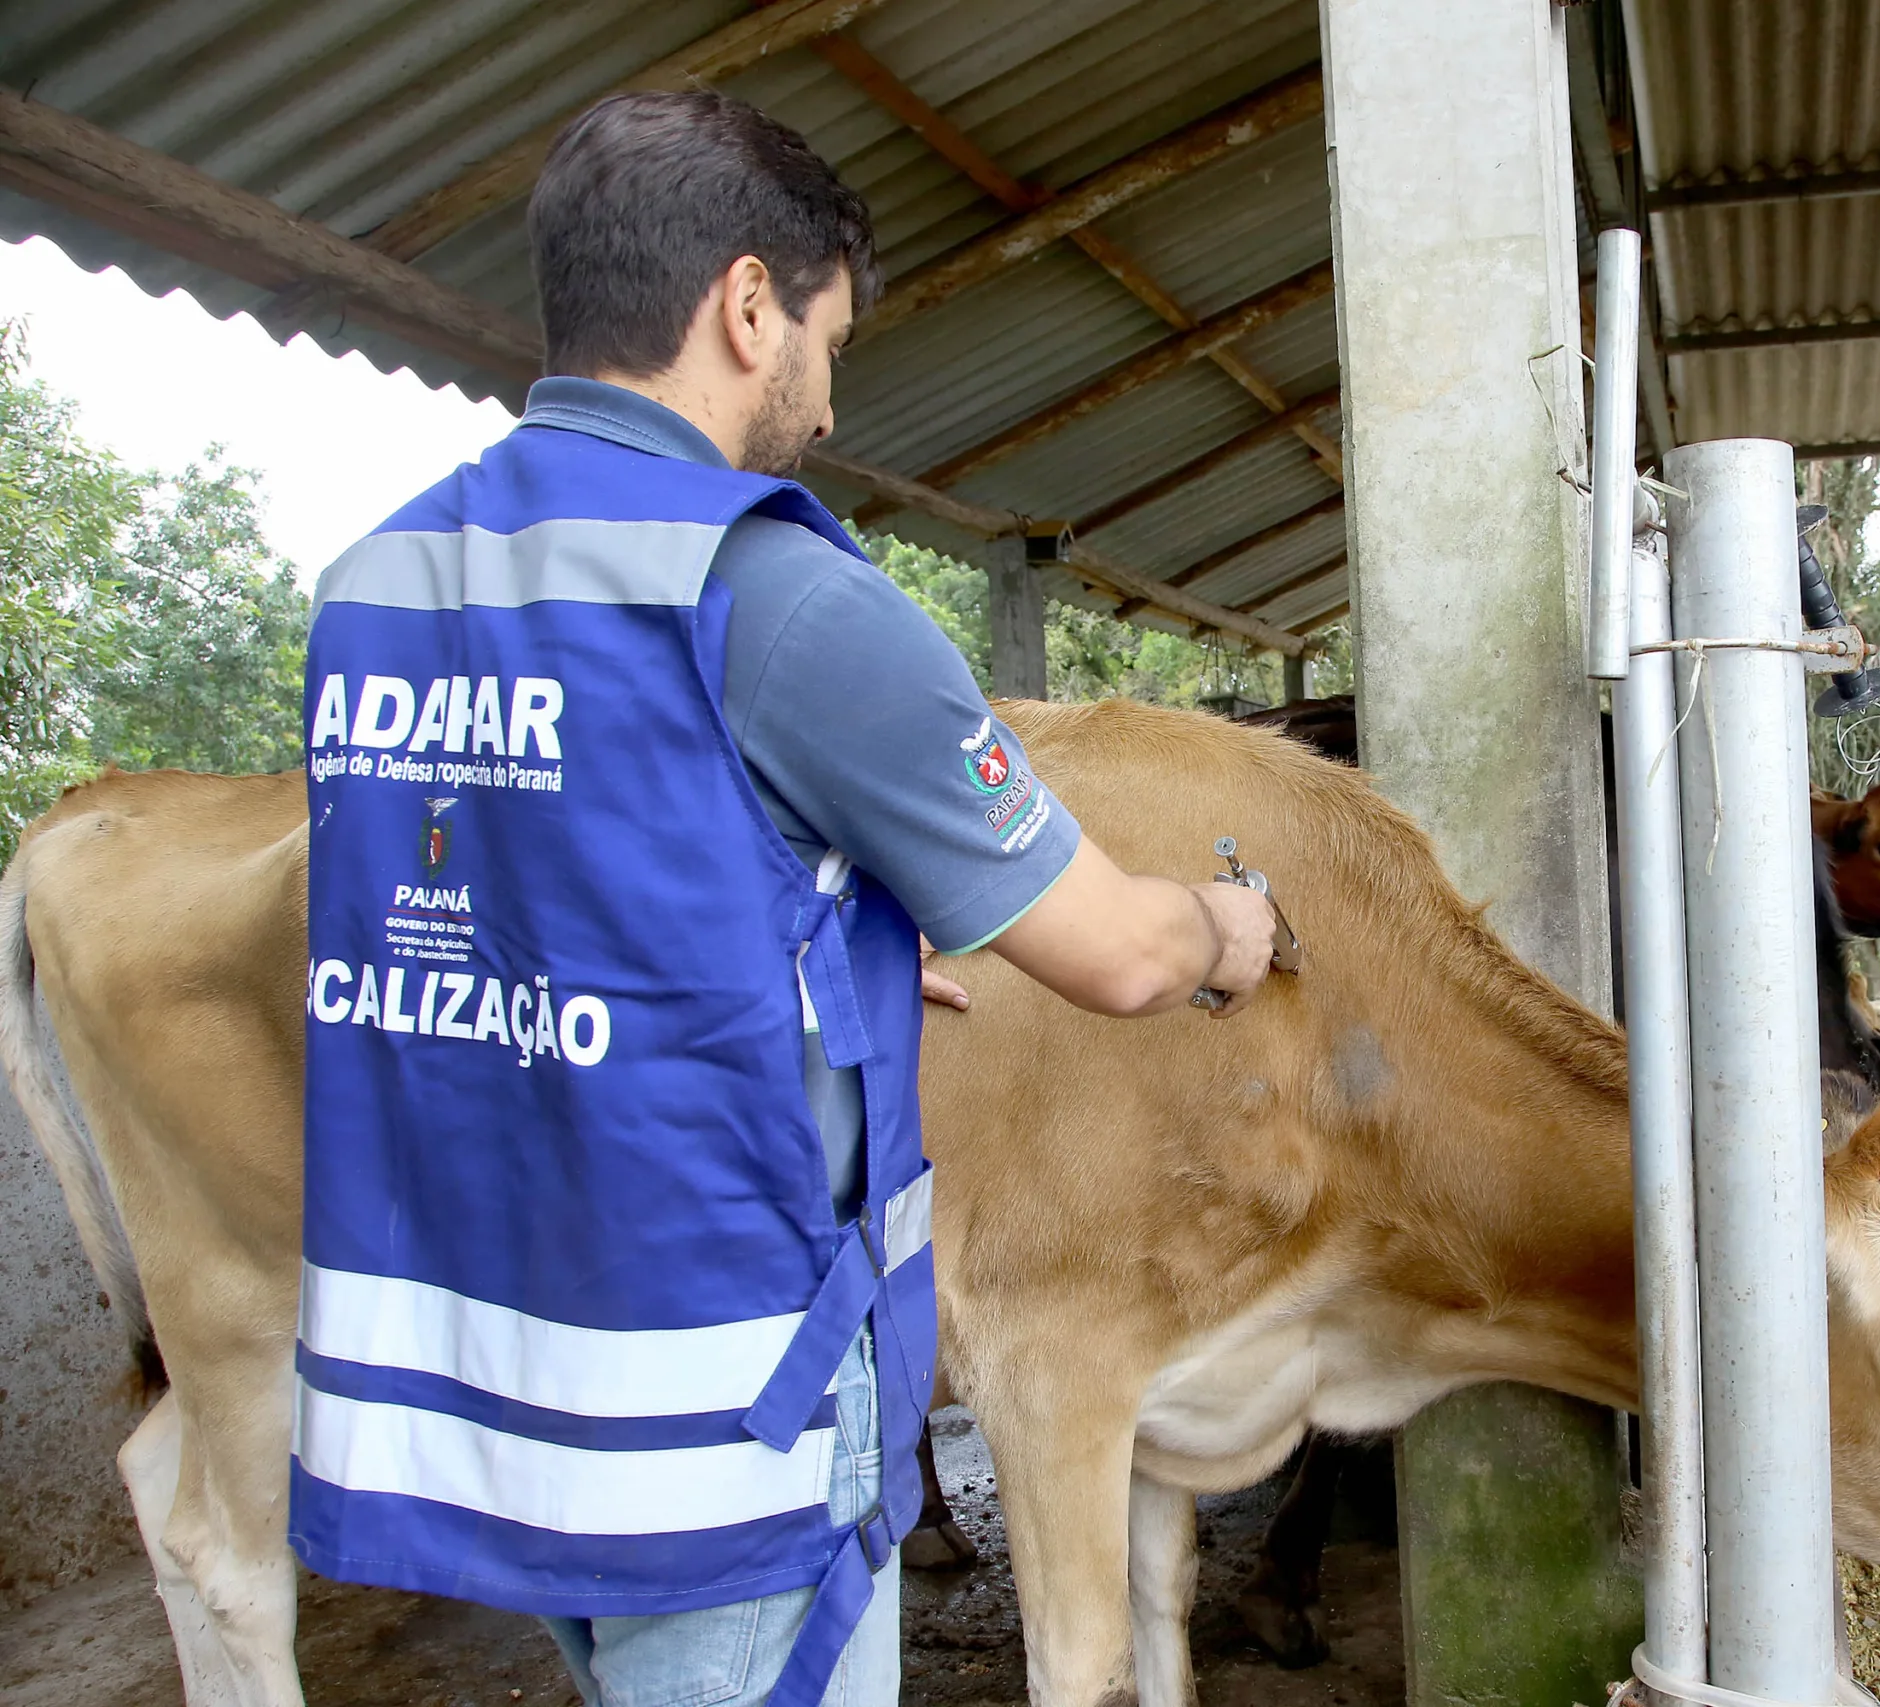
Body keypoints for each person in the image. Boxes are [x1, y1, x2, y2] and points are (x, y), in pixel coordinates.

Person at [291, 89, 1279, 1707]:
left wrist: (825, 957)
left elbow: (541, 891)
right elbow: (1111, 952)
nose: (824, 401)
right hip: (711, 1426)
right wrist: (1229, 932)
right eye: (825, 337)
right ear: (749, 306)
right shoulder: (782, 594)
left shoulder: (385, 578)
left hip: (497, 1394)